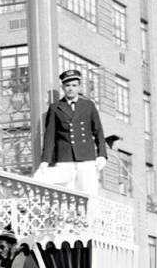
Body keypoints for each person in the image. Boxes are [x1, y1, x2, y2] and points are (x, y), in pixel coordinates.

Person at [34, 67, 108, 195]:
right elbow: (50, 137)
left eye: (74, 85)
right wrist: (45, 160)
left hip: (86, 157)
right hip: (64, 158)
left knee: (89, 192)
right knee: (66, 194)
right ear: (63, 87)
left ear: (79, 87)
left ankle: (90, 215)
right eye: (67, 85)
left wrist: (102, 154)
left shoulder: (88, 105)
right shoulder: (55, 108)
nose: (70, 88)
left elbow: (98, 132)